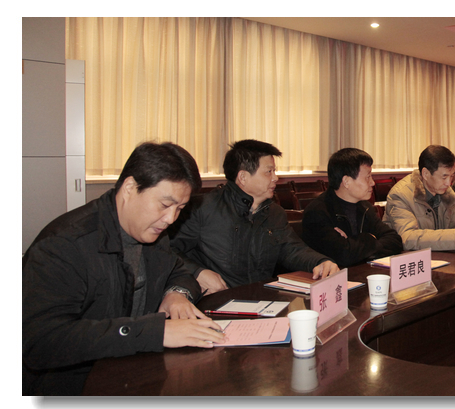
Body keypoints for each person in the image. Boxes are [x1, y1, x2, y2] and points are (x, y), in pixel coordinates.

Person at [23, 142, 225, 396]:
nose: (171, 219)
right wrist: (154, 332)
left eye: (180, 209)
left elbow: (179, 272)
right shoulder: (64, 245)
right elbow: (41, 343)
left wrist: (176, 294)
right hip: (74, 386)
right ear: (130, 188)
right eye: (165, 205)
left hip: (136, 374)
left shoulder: (154, 233)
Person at [170, 139, 339, 294]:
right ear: (243, 177)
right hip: (217, 298)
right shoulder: (202, 208)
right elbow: (168, 250)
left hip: (261, 298)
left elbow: (292, 249)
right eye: (269, 172)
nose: (275, 178)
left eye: (274, 171)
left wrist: (320, 262)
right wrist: (198, 273)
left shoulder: (274, 213)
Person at [302, 148, 403, 267]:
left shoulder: (365, 207)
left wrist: (354, 243)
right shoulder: (318, 212)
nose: (372, 183)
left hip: (361, 272)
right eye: (368, 177)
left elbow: (395, 241)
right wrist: (371, 238)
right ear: (346, 182)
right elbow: (343, 255)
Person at [383, 145, 455, 251]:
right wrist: (453, 239)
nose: (449, 183)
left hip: (438, 257)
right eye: (444, 177)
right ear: (426, 174)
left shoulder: (446, 192)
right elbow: (407, 238)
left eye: (452, 176)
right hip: (407, 258)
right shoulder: (400, 195)